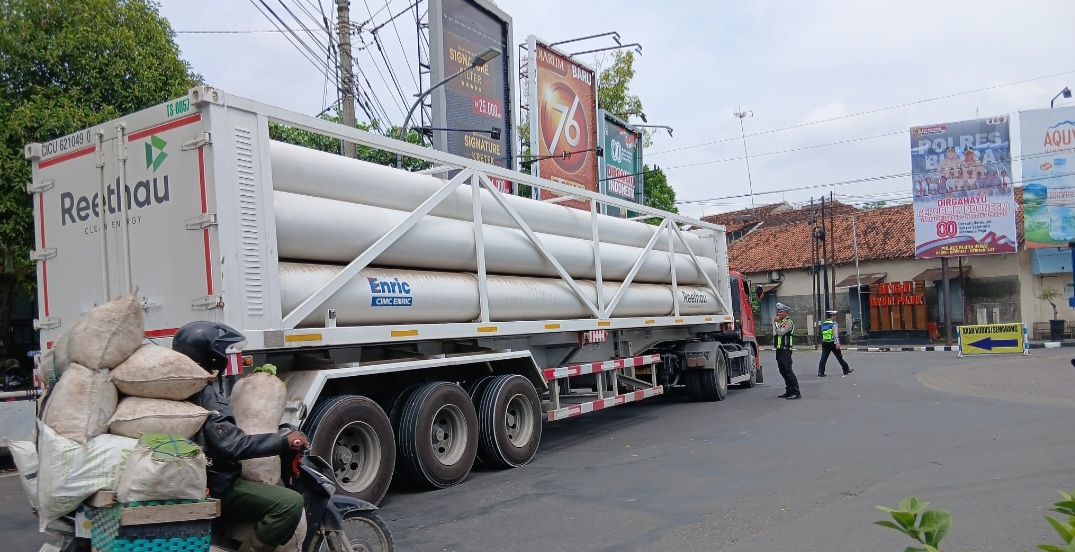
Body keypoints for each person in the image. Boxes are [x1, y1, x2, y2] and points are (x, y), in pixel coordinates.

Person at [172, 321, 310, 552]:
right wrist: (283, 441)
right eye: (223, 351)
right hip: (219, 484)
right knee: (290, 503)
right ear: (212, 356)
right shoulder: (207, 395)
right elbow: (233, 445)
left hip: (195, 478)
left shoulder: (181, 389)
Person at [773, 303, 800, 400]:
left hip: (785, 350)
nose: (778, 314)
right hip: (780, 350)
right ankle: (789, 391)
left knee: (788, 371)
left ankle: (796, 392)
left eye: (780, 312)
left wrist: (775, 323)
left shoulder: (788, 322)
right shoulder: (781, 322)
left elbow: (780, 332)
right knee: (783, 371)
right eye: (778, 312)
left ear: (786, 313)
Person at [817, 310, 853, 377]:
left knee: (823, 358)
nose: (835, 317)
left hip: (825, 342)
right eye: (834, 316)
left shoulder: (823, 324)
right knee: (839, 357)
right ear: (832, 316)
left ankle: (820, 372)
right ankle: (846, 369)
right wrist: (837, 343)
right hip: (832, 342)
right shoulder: (834, 324)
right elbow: (835, 334)